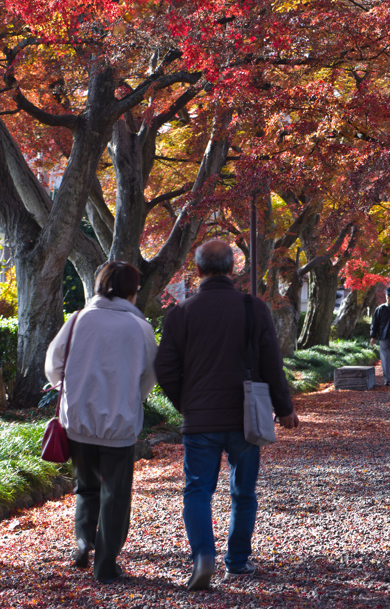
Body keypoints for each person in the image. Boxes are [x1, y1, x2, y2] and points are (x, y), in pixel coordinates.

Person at [155, 240, 300, 591]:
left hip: (200, 419)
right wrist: (284, 409)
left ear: (199, 270)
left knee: (197, 490)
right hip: (245, 415)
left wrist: (185, 403)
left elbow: (165, 368)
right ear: (232, 269)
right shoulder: (253, 308)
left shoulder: (181, 313)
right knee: (243, 491)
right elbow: (271, 363)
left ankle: (203, 556)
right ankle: (236, 560)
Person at [44, 261, 158, 584]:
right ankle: (105, 565)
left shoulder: (78, 320)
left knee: (86, 486)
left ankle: (84, 542)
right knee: (116, 493)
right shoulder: (140, 328)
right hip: (119, 423)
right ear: (132, 291)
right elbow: (151, 375)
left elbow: (53, 365)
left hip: (78, 419)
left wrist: (71, 389)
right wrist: (132, 396)